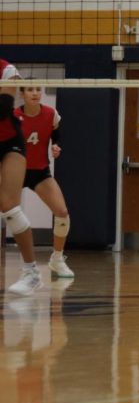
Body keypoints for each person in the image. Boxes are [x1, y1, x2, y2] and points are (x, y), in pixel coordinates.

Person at [15, 87, 72, 279]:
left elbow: (56, 132)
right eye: (30, 90)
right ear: (22, 94)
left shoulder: (51, 114)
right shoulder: (13, 117)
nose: (35, 93)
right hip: (16, 172)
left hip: (40, 172)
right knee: (10, 212)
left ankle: (57, 259)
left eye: (38, 89)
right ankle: (28, 266)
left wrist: (56, 145)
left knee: (62, 212)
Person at [0, 58, 40, 297]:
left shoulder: (7, 69)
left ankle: (31, 272)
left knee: (9, 206)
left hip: (9, 143)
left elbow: (3, 109)